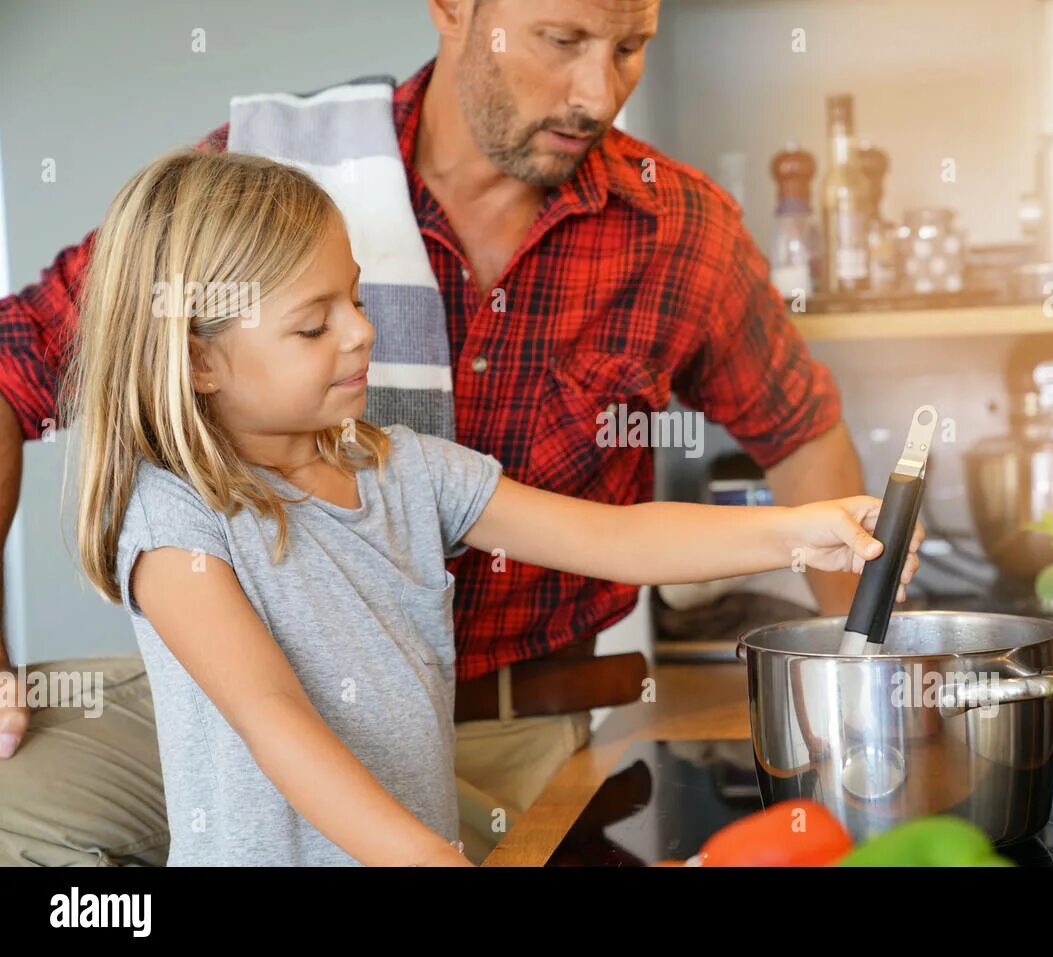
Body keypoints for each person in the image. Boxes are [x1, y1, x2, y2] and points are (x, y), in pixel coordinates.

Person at [0, 0, 921, 865]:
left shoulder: (405, 468)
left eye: (631, 45)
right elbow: (275, 719)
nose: (599, 93)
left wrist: (803, 530)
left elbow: (616, 538)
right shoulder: (175, 517)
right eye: (562, 39)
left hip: (497, 734)